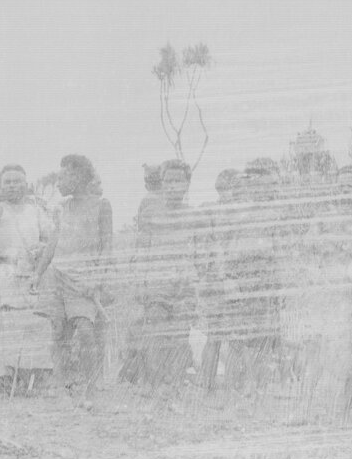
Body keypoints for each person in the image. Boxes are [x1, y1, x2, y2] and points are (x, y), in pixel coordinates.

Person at [33, 154, 113, 400]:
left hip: (84, 279)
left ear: (79, 176)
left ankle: (90, 387)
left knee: (86, 331)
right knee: (58, 332)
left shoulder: (102, 205)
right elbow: (53, 244)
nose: (59, 182)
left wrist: (97, 278)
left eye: (64, 176)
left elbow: (107, 245)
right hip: (57, 277)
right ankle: (63, 386)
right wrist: (38, 274)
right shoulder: (61, 208)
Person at [119, 159, 197, 392]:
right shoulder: (151, 213)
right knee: (155, 332)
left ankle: (173, 383)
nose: (172, 186)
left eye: (178, 181)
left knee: (181, 334)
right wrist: (140, 281)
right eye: (167, 181)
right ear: (161, 184)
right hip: (156, 280)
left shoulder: (193, 215)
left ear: (187, 184)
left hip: (183, 282)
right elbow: (142, 249)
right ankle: (153, 384)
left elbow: (198, 252)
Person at [0, 164, 54, 396]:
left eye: (17, 181)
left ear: (25, 183)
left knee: (32, 325)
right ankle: (7, 379)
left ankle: (32, 380)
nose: (12, 186)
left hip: (30, 272)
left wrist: (38, 272)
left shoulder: (37, 210)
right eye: (7, 181)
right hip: (4, 271)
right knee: (5, 325)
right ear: (1, 185)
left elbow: (51, 241)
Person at [223, 158, 284, 397]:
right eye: (258, 183)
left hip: (266, 280)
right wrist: (229, 279)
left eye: (268, 184)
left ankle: (259, 383)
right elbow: (227, 249)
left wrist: (279, 282)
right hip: (242, 279)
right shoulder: (238, 214)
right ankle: (245, 382)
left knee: (264, 336)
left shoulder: (276, 213)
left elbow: (279, 249)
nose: (264, 189)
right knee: (241, 336)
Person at [193, 169, 241, 391]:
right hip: (220, 281)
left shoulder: (233, 212)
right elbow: (204, 249)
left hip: (228, 280)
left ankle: (221, 385)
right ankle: (209, 384)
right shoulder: (213, 212)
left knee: (226, 336)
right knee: (219, 336)